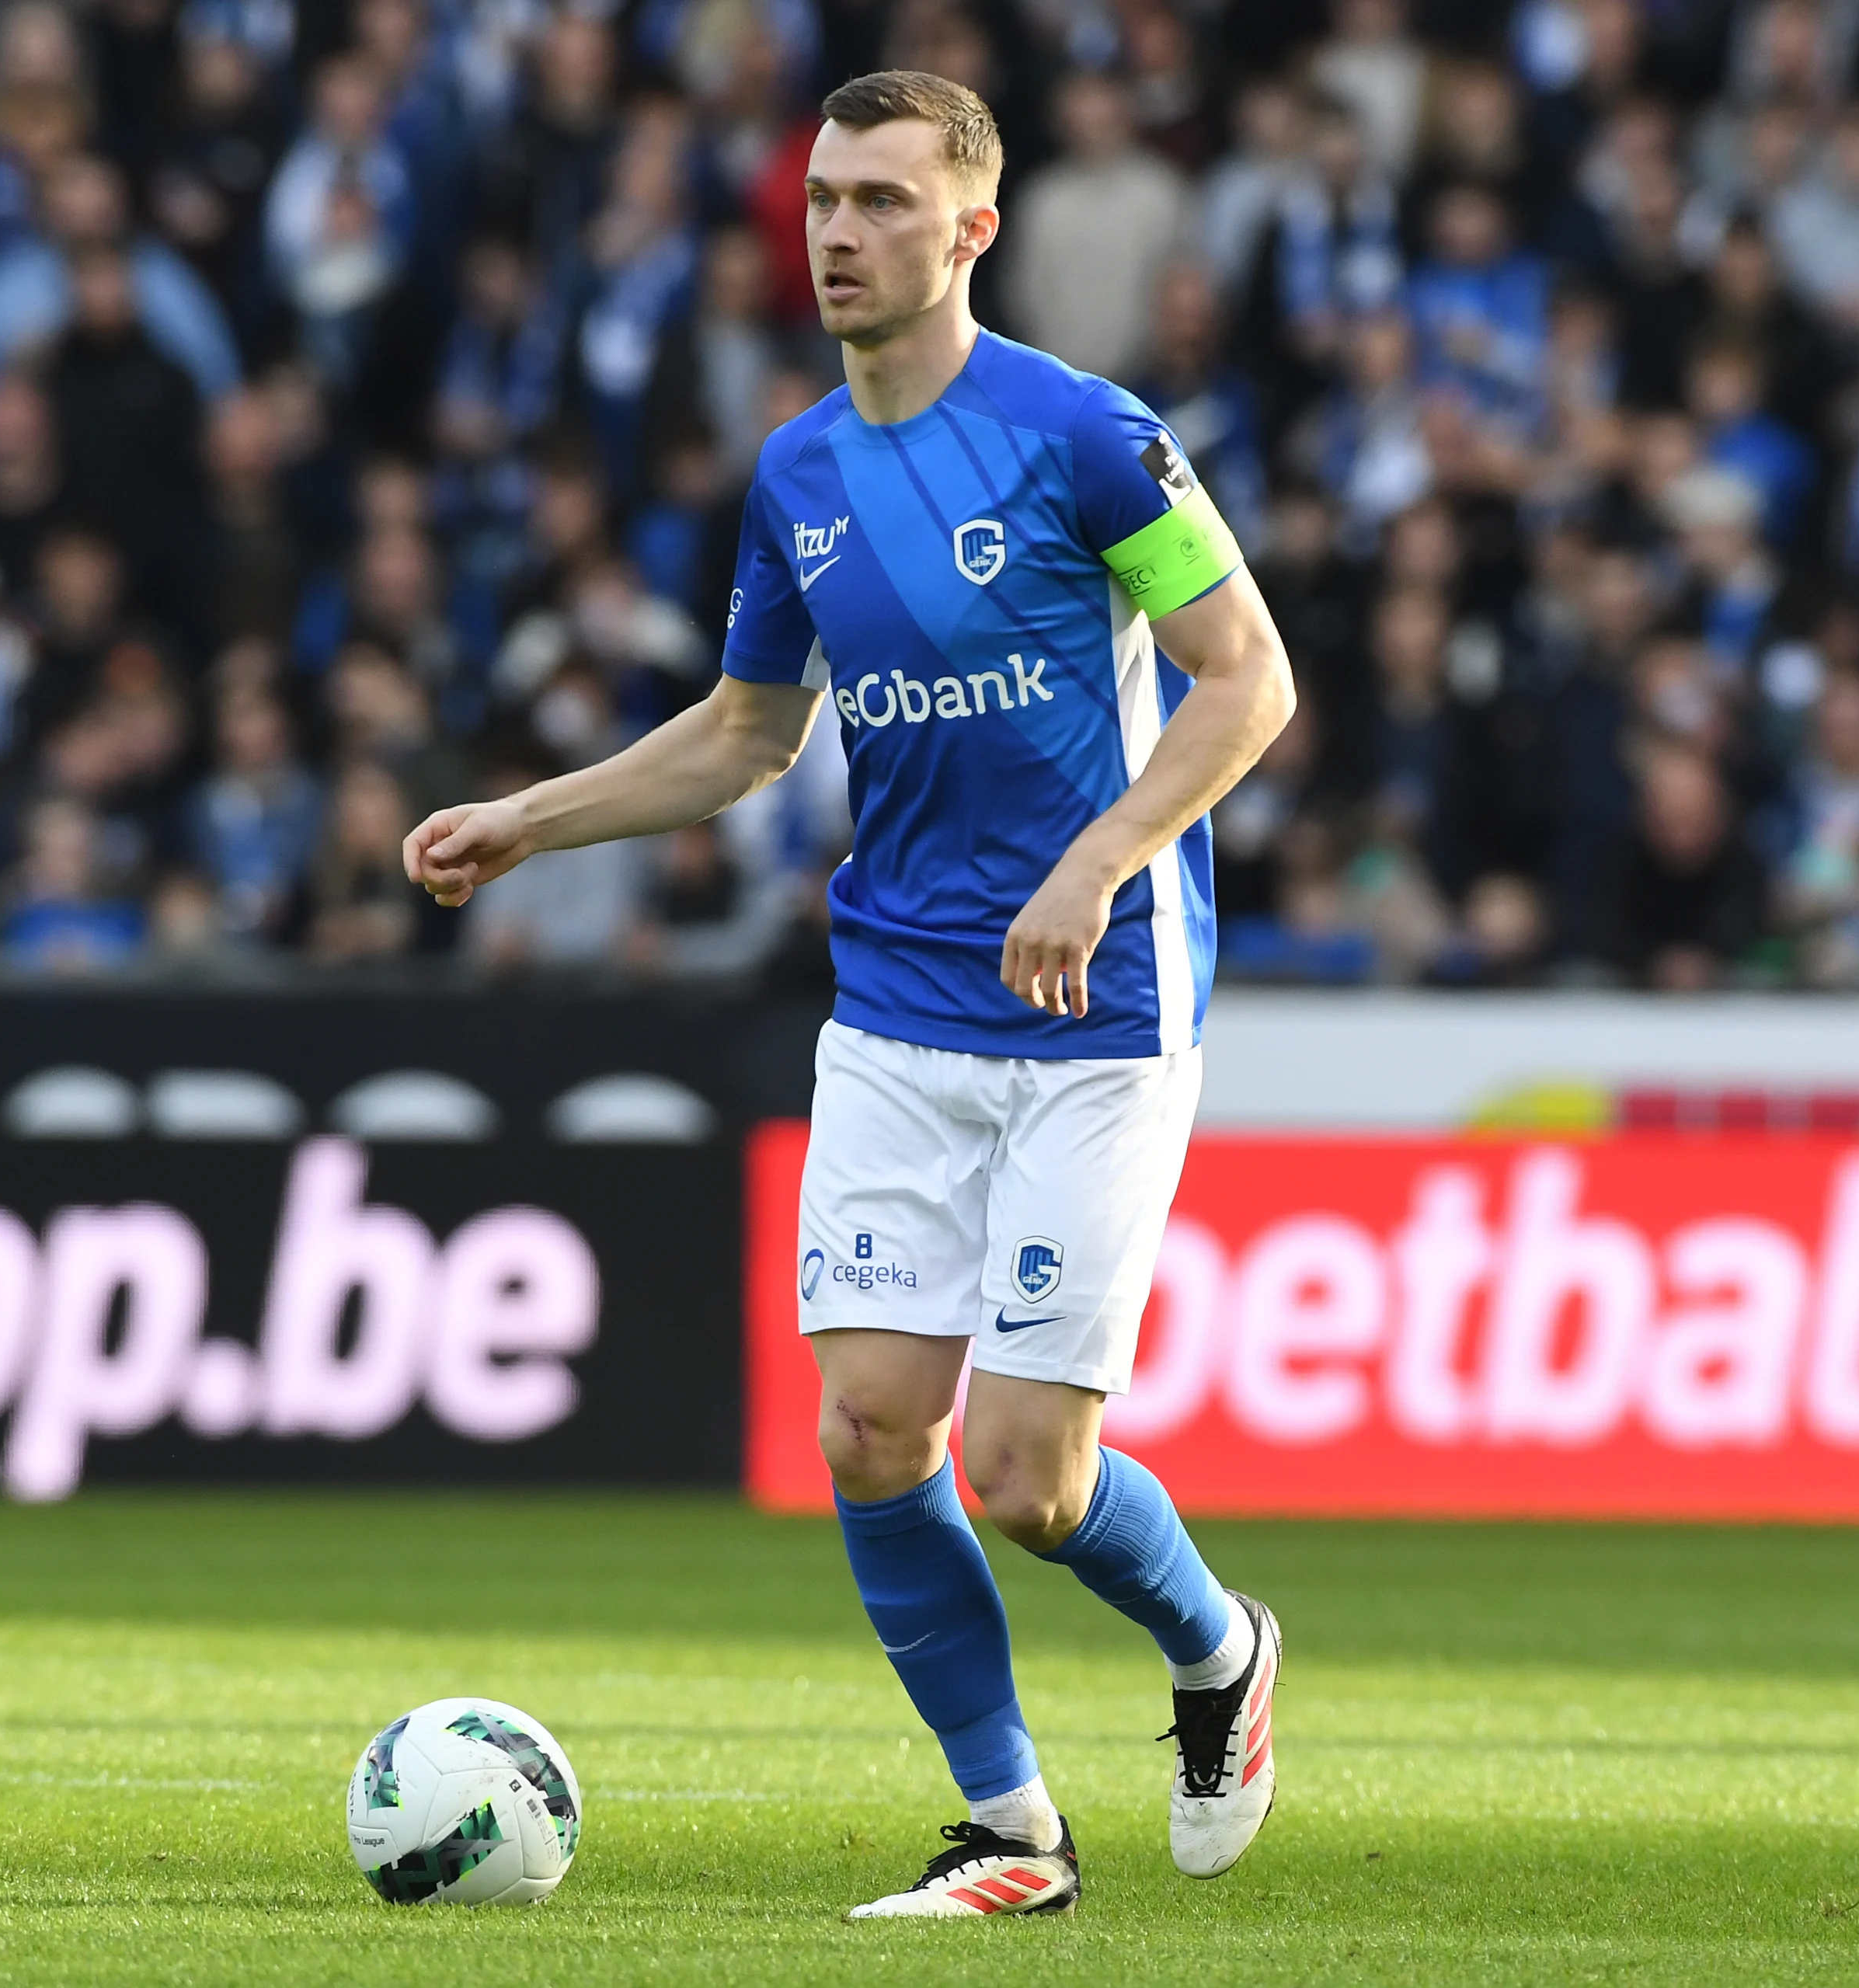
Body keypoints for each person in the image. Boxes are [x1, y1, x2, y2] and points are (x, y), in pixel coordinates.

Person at [402, 72, 1298, 1920]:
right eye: (822, 198)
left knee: (1034, 1480)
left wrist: (1102, 855)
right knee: (873, 1431)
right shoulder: (800, 468)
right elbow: (747, 732)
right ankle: (1013, 1830)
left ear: (971, 230)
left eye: (883, 201)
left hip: (1099, 1005)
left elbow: (1245, 681)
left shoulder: (1087, 438)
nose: (836, 232)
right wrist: (527, 819)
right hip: (897, 1000)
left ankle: (1218, 1650)